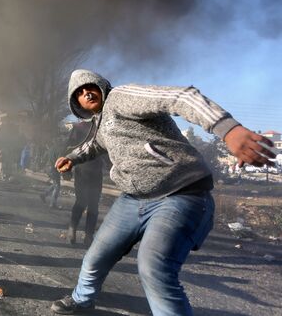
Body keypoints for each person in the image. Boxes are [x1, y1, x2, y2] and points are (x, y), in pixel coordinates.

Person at [51, 69, 276, 315]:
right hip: (133, 199)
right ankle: (82, 299)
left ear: (101, 86)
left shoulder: (121, 97)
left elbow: (181, 97)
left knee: (153, 266)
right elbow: (95, 145)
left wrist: (229, 130)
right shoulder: (100, 122)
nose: (86, 93)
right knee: (96, 255)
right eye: (79, 93)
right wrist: (73, 157)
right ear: (77, 103)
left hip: (181, 193)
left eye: (89, 86)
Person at [66, 121, 103, 247]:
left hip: (97, 171)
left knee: (93, 205)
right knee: (81, 201)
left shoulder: (103, 126)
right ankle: (72, 229)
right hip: (82, 169)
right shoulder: (79, 127)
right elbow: (69, 146)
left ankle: (88, 235)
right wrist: (67, 166)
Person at [39, 137, 66, 208]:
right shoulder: (59, 150)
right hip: (54, 169)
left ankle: (44, 194)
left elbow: (44, 158)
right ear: (59, 142)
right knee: (57, 186)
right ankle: (53, 203)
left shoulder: (51, 149)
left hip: (48, 168)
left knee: (55, 184)